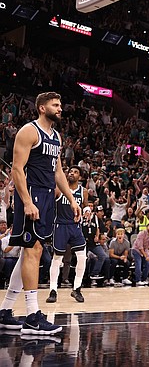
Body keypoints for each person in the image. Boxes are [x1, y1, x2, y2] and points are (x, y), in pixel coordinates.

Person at [0, 92, 80, 335]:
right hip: (32, 195)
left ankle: (5, 311)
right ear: (42, 108)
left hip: (47, 197)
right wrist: (26, 202)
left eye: (61, 104)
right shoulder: (29, 131)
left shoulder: (55, 136)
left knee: (29, 253)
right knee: (33, 250)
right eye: (56, 105)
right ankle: (33, 315)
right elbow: (16, 169)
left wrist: (70, 198)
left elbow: (58, 173)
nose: (60, 108)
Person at [46, 166, 88, 304]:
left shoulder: (84, 192)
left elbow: (86, 206)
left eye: (75, 172)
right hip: (61, 225)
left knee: (82, 257)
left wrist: (87, 211)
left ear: (80, 177)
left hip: (75, 226)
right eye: (70, 171)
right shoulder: (59, 189)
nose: (72, 173)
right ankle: (53, 290)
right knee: (57, 258)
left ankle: (77, 288)